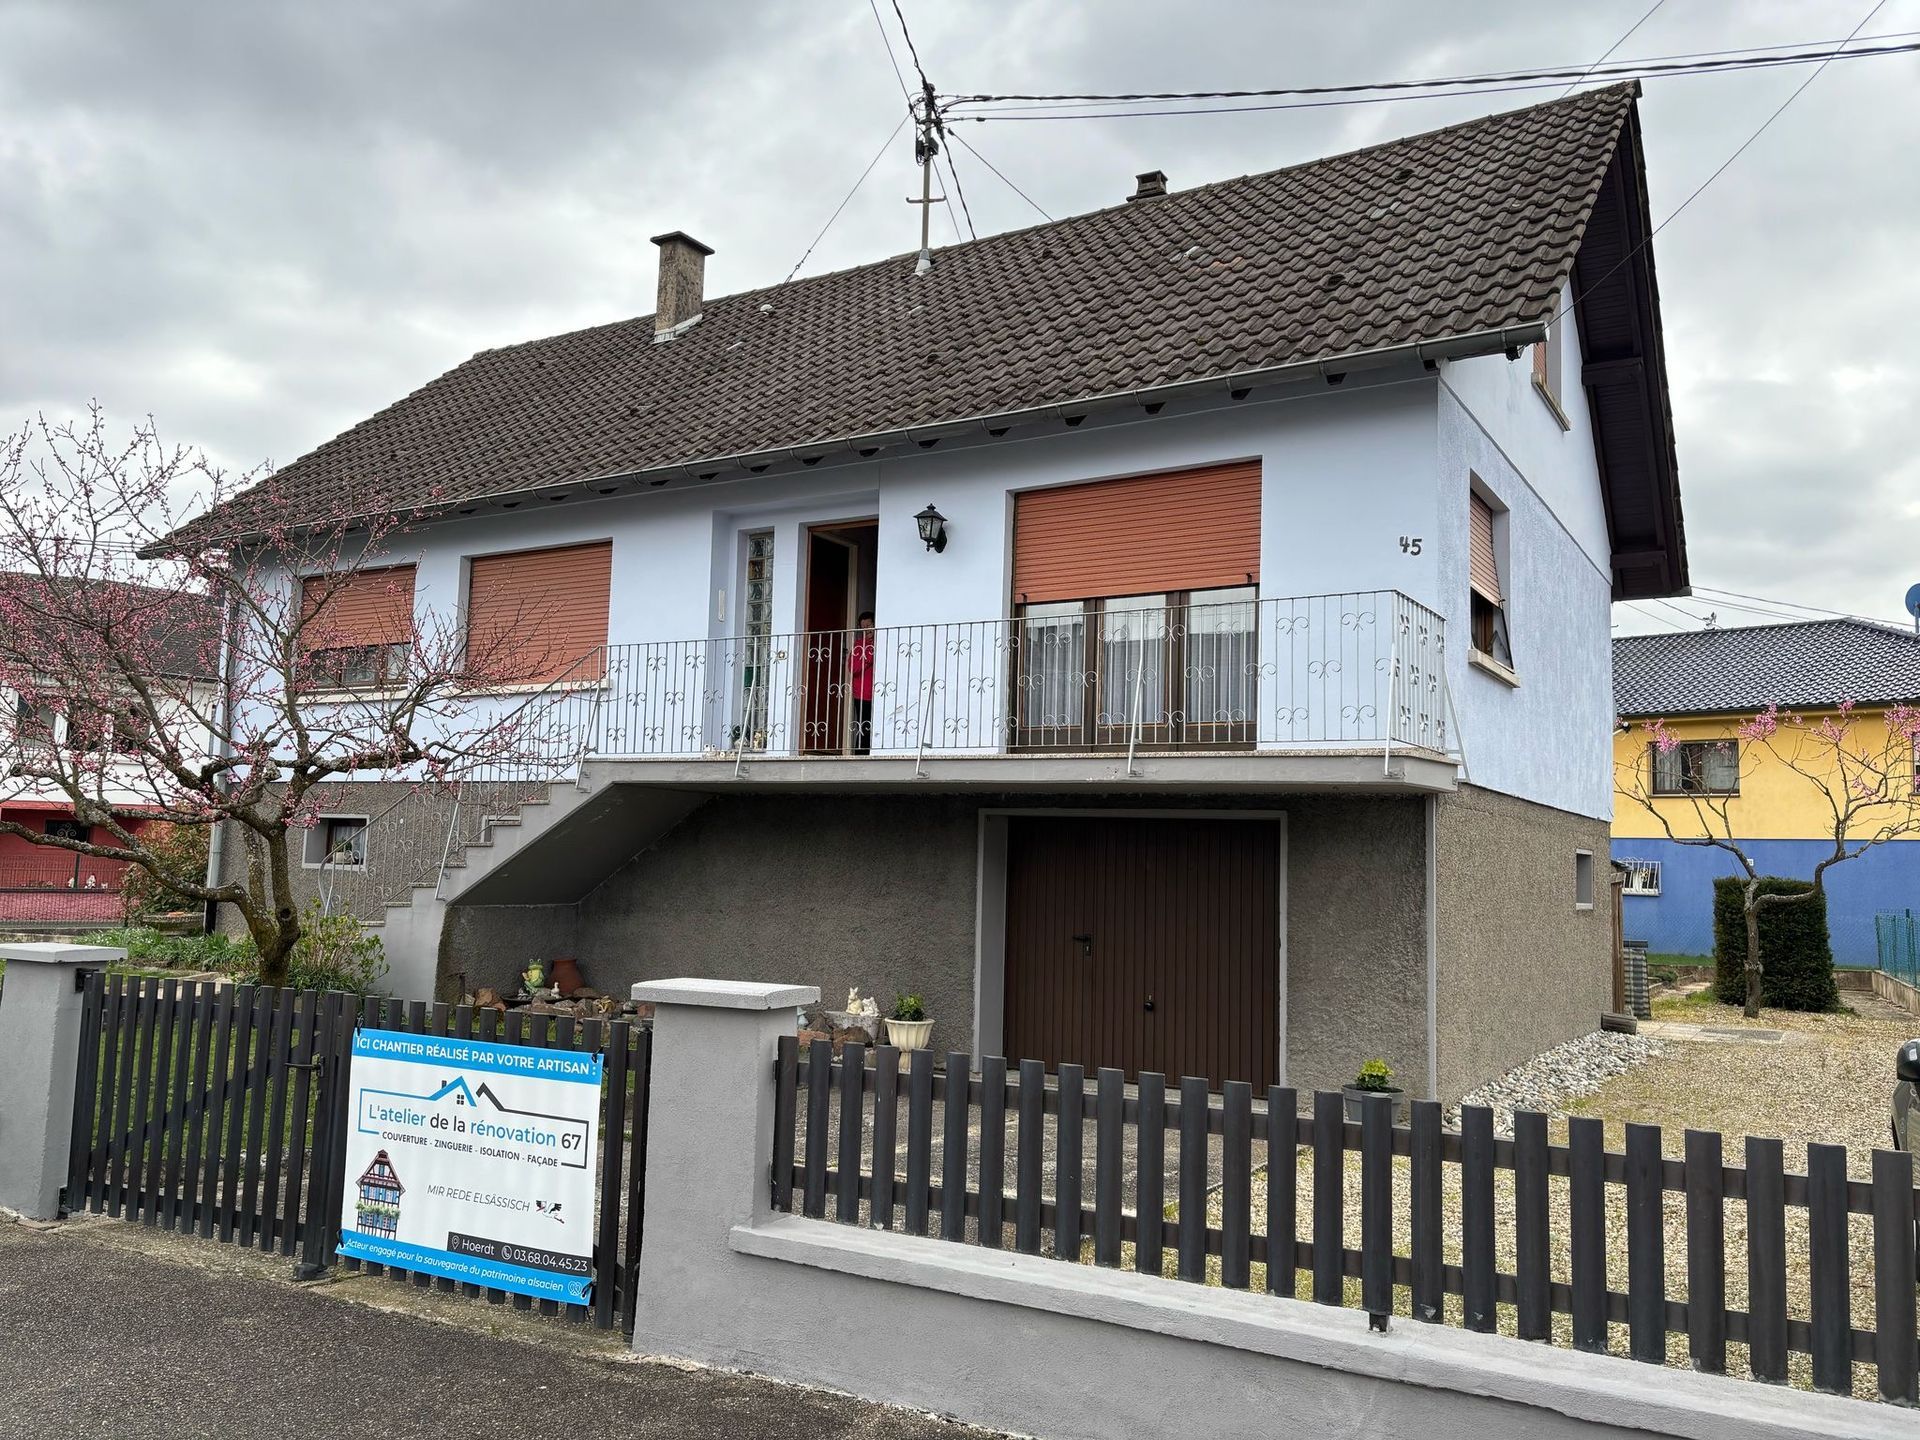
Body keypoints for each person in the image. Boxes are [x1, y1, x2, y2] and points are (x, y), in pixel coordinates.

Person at [848, 610, 875, 754]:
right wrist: (868, 657)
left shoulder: (882, 641)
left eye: (869, 626)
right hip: (862, 693)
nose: (867, 630)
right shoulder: (859, 645)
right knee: (863, 725)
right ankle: (861, 754)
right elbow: (853, 668)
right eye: (863, 628)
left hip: (878, 691)